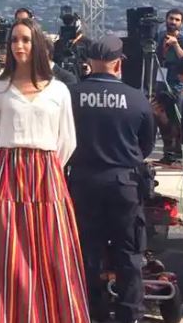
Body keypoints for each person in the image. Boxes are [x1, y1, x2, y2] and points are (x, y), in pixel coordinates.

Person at [0, 18, 88, 322]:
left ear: (36, 43)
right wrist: (3, 166)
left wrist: (48, 168)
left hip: (47, 174)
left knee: (53, 250)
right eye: (14, 40)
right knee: (7, 253)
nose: (19, 45)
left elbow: (68, 140)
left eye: (25, 39)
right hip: (7, 173)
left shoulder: (59, 90)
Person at [68, 35, 155, 323]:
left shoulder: (72, 95)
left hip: (83, 183)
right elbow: (145, 146)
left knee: (86, 253)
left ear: (89, 62)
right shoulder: (136, 98)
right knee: (129, 255)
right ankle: (129, 315)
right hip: (123, 184)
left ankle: (91, 312)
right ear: (118, 63)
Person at [156, 8, 183, 95]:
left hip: (178, 85)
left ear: (181, 23)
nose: (173, 22)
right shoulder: (160, 36)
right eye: (171, 18)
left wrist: (176, 44)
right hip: (161, 80)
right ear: (166, 19)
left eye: (177, 20)